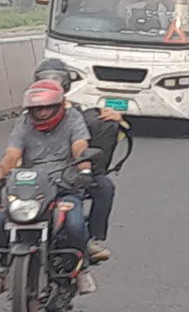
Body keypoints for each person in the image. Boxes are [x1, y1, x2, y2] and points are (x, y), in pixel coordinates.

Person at [0, 79, 98, 295]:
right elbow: (12, 155)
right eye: (37, 109)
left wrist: (84, 170)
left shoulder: (73, 118)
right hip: (32, 188)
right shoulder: (24, 123)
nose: (42, 113)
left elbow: (79, 146)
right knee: (1, 220)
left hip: (65, 186)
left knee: (74, 224)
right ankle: (6, 269)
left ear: (59, 106)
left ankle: (82, 271)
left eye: (47, 107)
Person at [33, 59, 127, 264]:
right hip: (36, 177)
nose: (52, 84)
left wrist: (116, 120)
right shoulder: (29, 112)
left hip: (71, 174)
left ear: (66, 85)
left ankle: (93, 240)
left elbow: (85, 143)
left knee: (104, 186)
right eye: (46, 79)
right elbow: (14, 151)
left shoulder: (79, 112)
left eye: (57, 79)